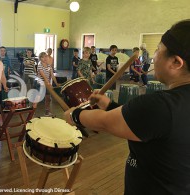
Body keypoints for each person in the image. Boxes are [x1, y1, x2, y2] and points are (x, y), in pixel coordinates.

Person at [64, 19, 190, 194]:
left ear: (176, 62)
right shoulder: (170, 107)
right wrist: (110, 105)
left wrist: (75, 115)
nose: (154, 55)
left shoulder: (162, 106)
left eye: (158, 49)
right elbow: (141, 121)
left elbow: (104, 122)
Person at [36, 51, 59, 116]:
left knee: (48, 98)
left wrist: (56, 83)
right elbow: (44, 77)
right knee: (38, 98)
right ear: (40, 59)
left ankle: (47, 111)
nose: (45, 58)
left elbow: (52, 75)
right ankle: (33, 110)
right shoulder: (39, 66)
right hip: (40, 83)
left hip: (47, 84)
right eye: (43, 57)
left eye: (45, 56)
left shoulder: (49, 66)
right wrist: (49, 84)